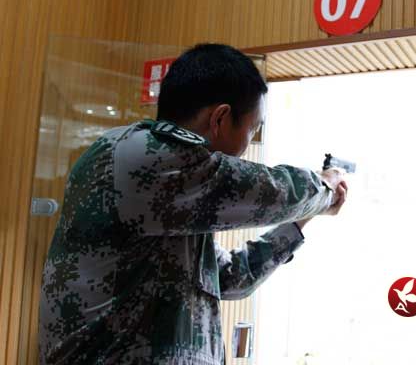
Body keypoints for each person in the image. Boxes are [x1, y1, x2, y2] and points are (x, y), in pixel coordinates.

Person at [39, 43, 348, 364]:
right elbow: (267, 191)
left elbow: (229, 277)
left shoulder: (173, 196)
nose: (248, 143)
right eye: (252, 128)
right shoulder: (140, 157)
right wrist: (325, 186)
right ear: (220, 119)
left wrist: (300, 221)